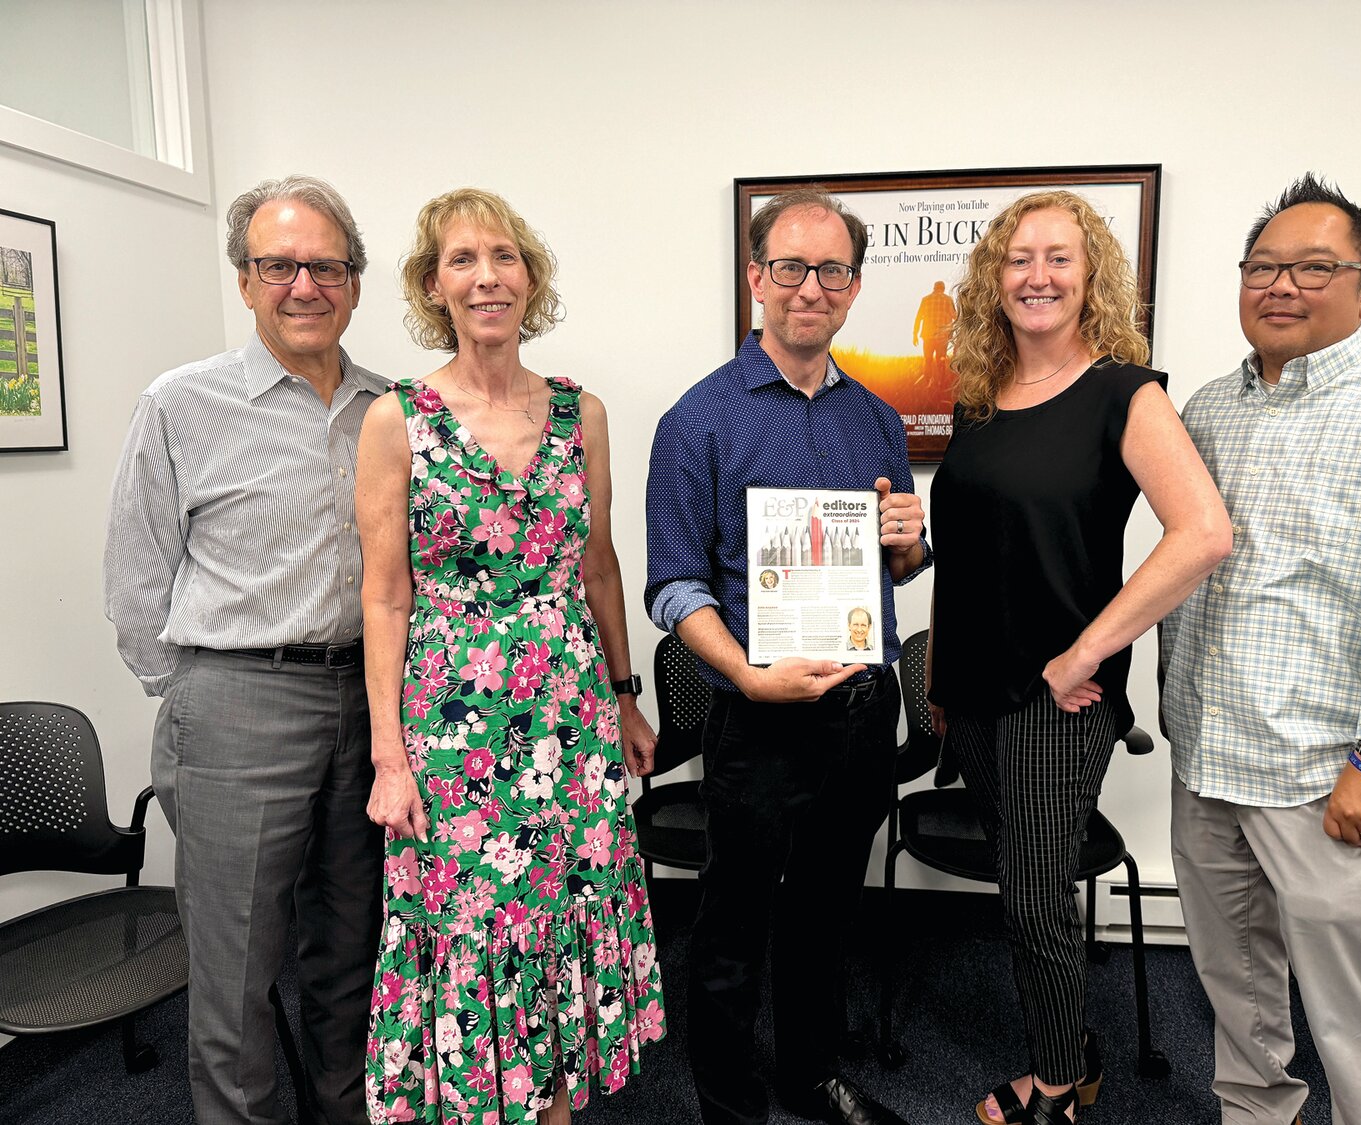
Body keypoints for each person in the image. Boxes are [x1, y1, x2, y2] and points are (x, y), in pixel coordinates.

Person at [1163, 173, 1361, 1125]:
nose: (1281, 285)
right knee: (1233, 973)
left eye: (1313, 267)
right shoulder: (1209, 407)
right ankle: (1257, 1111)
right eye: (1263, 266)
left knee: (1349, 992)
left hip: (1320, 769)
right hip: (1210, 754)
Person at [358, 188, 665, 1125]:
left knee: (569, 909)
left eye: (503, 257)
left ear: (530, 281)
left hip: (571, 716)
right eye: (462, 260)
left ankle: (555, 1100)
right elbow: (384, 593)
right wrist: (389, 755)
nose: (486, 276)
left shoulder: (583, 413)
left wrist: (624, 696)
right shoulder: (396, 420)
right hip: (457, 727)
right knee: (472, 923)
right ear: (433, 286)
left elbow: (601, 565)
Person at [926, 190, 1231, 1125]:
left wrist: (1083, 653)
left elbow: (1204, 534)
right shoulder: (978, 400)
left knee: (1033, 899)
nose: (1038, 275)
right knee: (1024, 886)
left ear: (1092, 273)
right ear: (995, 277)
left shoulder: (1125, 393)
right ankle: (1072, 1046)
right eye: (1019, 259)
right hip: (972, 692)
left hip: (1056, 699)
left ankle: (1059, 1082)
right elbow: (975, 555)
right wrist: (939, 673)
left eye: (1059, 257)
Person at [103, 174, 385, 1124]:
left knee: (353, 954)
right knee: (236, 973)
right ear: (244, 278)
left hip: (374, 706)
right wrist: (189, 695)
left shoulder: (391, 410)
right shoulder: (182, 403)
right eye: (279, 264)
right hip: (237, 705)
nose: (303, 284)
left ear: (355, 280)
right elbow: (137, 575)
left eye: (326, 266)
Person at [646, 188, 930, 1125]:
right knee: (732, 920)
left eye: (834, 270)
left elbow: (896, 567)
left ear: (854, 285)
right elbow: (674, 585)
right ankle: (728, 1102)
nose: (813, 287)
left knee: (823, 910)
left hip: (858, 710)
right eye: (793, 268)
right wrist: (747, 675)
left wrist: (908, 544)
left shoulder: (878, 421)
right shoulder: (700, 419)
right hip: (758, 712)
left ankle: (812, 1075)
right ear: (757, 277)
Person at [912, 279, 956, 383]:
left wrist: (915, 334)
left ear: (934, 288)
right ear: (943, 288)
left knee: (928, 360)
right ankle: (941, 383)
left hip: (927, 336)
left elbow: (918, 317)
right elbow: (955, 316)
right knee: (941, 360)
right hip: (942, 337)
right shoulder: (948, 299)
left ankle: (927, 382)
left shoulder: (925, 299)